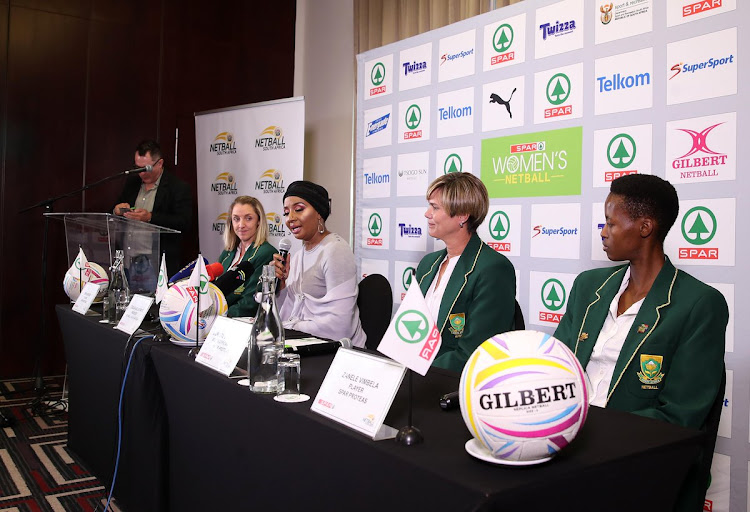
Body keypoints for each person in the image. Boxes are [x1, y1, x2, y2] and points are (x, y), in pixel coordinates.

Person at [554, 174, 727, 511]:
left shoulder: (699, 303)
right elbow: (555, 364)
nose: (603, 232)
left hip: (631, 462)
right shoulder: (589, 287)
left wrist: (589, 433)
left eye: (611, 223)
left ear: (645, 227)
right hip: (563, 445)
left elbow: (678, 416)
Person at [416, 173, 516, 373]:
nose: (427, 213)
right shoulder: (428, 264)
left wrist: (416, 371)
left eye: (435, 207)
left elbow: (474, 352)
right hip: (417, 377)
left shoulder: (493, 268)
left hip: (451, 384)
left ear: (462, 215)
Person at [272, 180, 366, 347]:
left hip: (339, 352)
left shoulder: (335, 250)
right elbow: (286, 314)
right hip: (305, 343)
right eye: (286, 213)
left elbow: (339, 326)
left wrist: (289, 327)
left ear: (319, 213)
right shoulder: (299, 255)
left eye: (299, 209)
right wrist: (281, 287)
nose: (290, 219)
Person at [113, 139, 192, 275]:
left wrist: (150, 217)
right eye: (137, 167)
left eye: (146, 169)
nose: (141, 173)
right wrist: (116, 210)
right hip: (127, 260)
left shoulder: (177, 187)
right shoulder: (132, 184)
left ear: (159, 163)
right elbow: (114, 210)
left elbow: (183, 222)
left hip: (155, 264)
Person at [216, 196, 276, 318]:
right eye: (236, 219)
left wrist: (218, 316)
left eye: (248, 218)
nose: (241, 225)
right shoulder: (227, 253)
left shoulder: (266, 253)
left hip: (242, 323)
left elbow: (250, 302)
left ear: (259, 221)